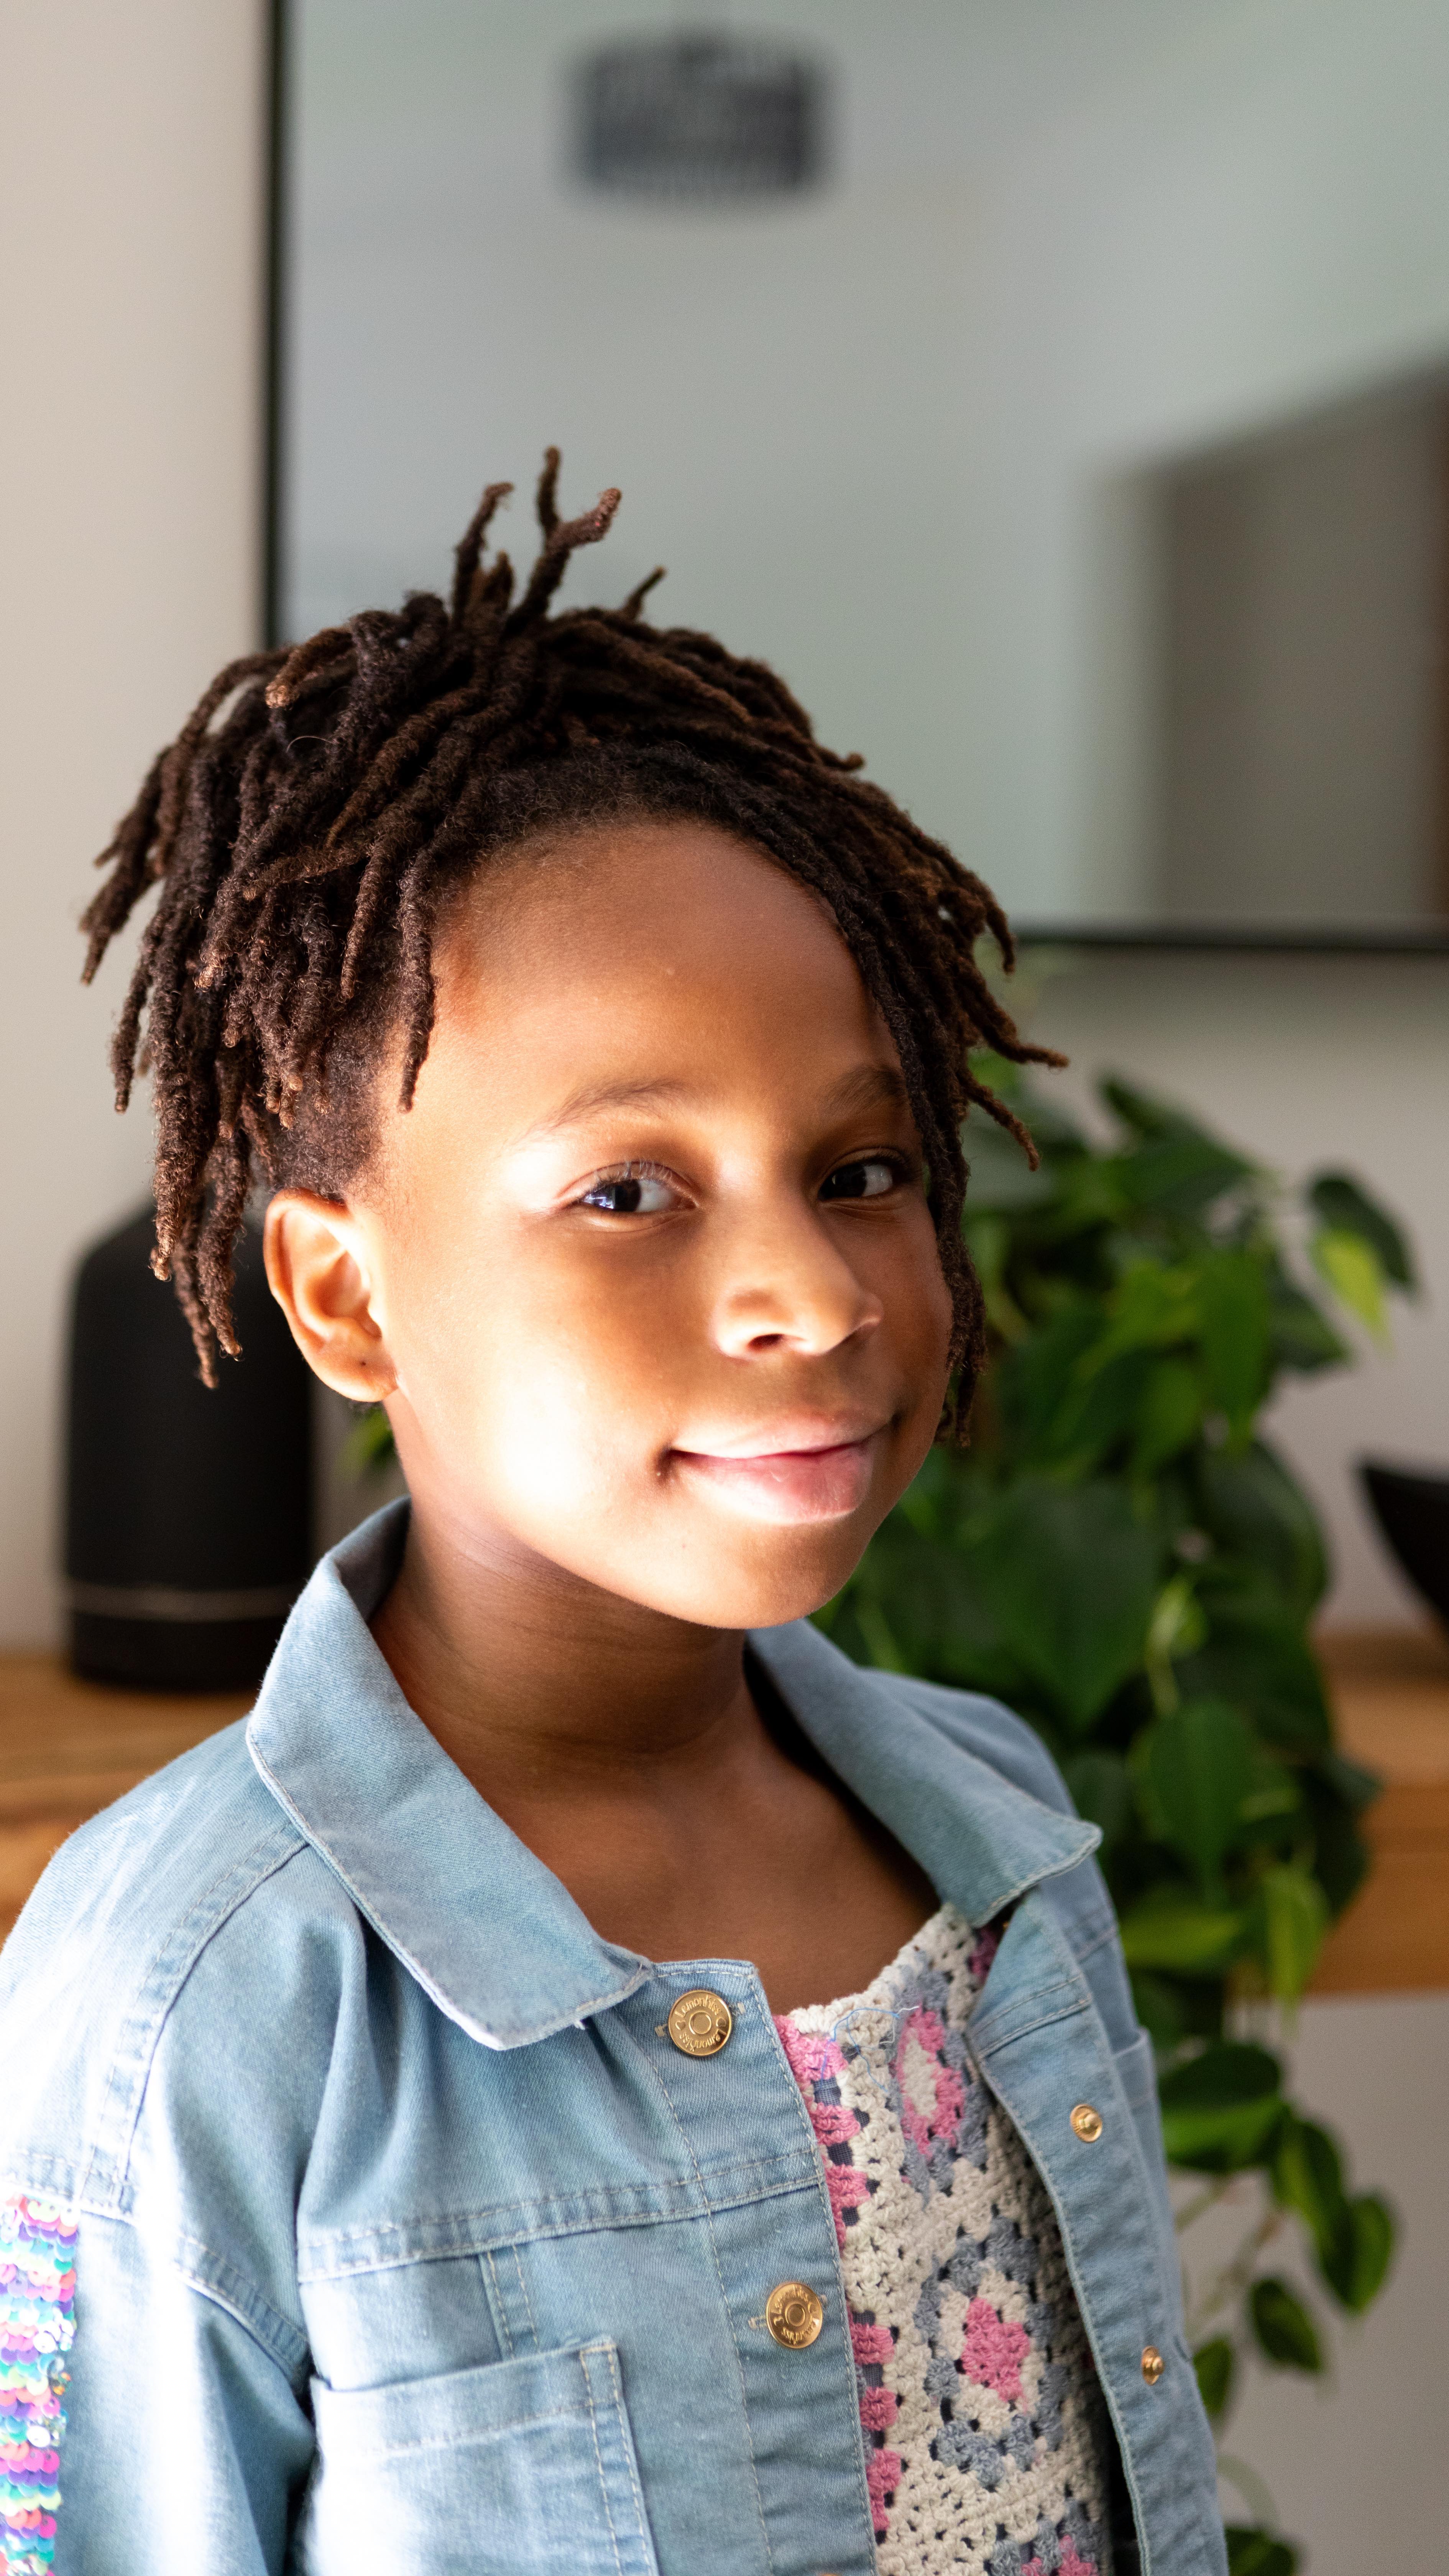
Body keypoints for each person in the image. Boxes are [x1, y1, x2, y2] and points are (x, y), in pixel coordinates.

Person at [0, 460, 1223, 2576]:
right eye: (627, 1194)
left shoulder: (996, 1835)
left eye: (859, 1171)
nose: (816, 1297)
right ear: (345, 1293)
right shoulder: (187, 1990)